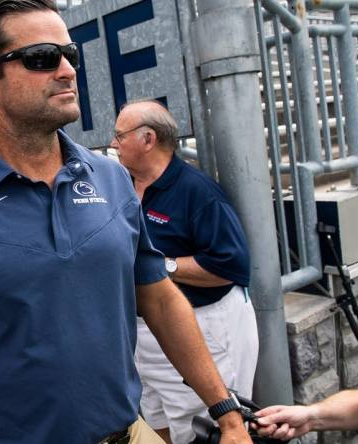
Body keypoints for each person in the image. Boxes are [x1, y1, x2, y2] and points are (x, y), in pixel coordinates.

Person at [0, 1, 252, 443]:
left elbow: (160, 299)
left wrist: (226, 411)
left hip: (129, 434)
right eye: (42, 58)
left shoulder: (112, 178)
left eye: (70, 54)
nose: (68, 69)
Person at [112, 100, 259, 443]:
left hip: (199, 326)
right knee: (157, 418)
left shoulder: (198, 192)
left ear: (148, 139)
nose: (114, 143)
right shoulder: (121, 185)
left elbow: (229, 265)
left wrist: (161, 265)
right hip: (144, 333)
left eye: (120, 135)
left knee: (199, 428)